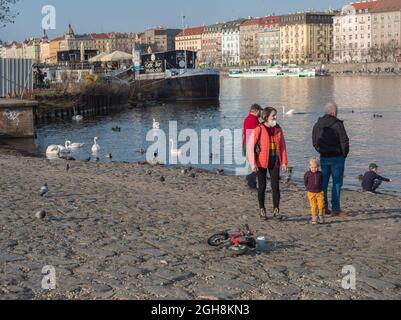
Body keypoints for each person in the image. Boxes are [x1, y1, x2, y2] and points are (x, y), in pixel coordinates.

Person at [247, 107, 288, 220]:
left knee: (275, 186)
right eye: (273, 115)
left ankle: (276, 210)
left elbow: (283, 146)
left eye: (275, 115)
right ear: (266, 117)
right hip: (261, 163)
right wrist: (253, 163)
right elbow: (250, 147)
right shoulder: (259, 129)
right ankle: (262, 210)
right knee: (262, 187)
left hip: (275, 162)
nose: (275, 117)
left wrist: (284, 162)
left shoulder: (278, 129)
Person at [312, 102, 350, 218]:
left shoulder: (318, 124)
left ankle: (323, 207)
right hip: (337, 157)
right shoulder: (337, 124)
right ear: (333, 112)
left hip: (324, 157)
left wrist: (321, 151)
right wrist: (344, 154)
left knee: (323, 183)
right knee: (337, 183)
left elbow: (314, 141)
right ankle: (335, 209)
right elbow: (344, 141)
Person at [243, 104, 262, 189]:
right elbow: (254, 135)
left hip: (247, 144)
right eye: (260, 111)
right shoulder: (253, 120)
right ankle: (251, 183)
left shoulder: (249, 119)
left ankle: (251, 181)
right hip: (250, 145)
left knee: (251, 164)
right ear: (256, 111)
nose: (261, 113)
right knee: (253, 164)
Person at [304, 158, 325, 225]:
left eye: (315, 167)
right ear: (309, 167)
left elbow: (323, 181)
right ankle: (314, 217)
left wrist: (322, 188)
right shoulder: (307, 174)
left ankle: (321, 216)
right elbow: (305, 182)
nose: (314, 169)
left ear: (318, 167)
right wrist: (308, 187)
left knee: (321, 205)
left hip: (319, 192)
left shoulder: (320, 174)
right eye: (312, 167)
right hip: (311, 192)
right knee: (313, 206)